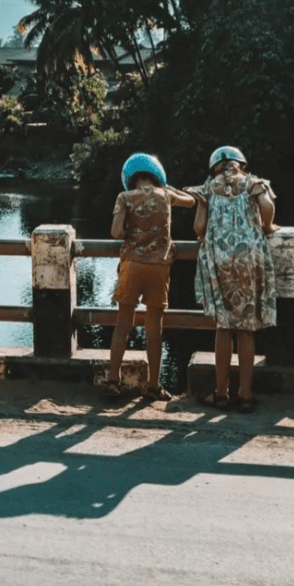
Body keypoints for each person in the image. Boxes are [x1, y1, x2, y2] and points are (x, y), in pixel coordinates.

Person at [192, 145, 277, 413]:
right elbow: (266, 207)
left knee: (223, 327)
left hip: (219, 258)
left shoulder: (208, 187)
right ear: (241, 163)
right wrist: (267, 227)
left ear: (215, 166)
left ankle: (220, 393)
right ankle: (246, 394)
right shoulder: (254, 182)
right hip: (248, 258)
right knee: (247, 326)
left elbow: (199, 228)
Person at [106, 153, 197, 402]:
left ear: (130, 177)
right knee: (154, 328)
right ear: (157, 175)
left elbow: (115, 232)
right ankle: (154, 385)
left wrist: (129, 229)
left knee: (123, 325)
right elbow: (190, 202)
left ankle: (113, 380)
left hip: (132, 266)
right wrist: (168, 189)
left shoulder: (124, 197)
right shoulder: (166, 194)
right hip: (159, 268)